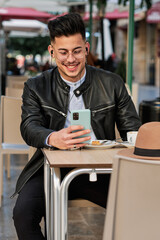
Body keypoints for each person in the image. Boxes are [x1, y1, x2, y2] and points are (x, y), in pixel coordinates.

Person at [12, 13, 141, 239]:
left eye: (76, 51)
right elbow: (29, 126)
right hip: (50, 169)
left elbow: (132, 128)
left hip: (101, 171)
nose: (70, 59)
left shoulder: (112, 83)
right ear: (52, 51)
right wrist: (52, 138)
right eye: (63, 52)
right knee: (23, 215)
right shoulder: (35, 86)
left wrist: (136, 142)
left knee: (142, 204)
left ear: (86, 48)